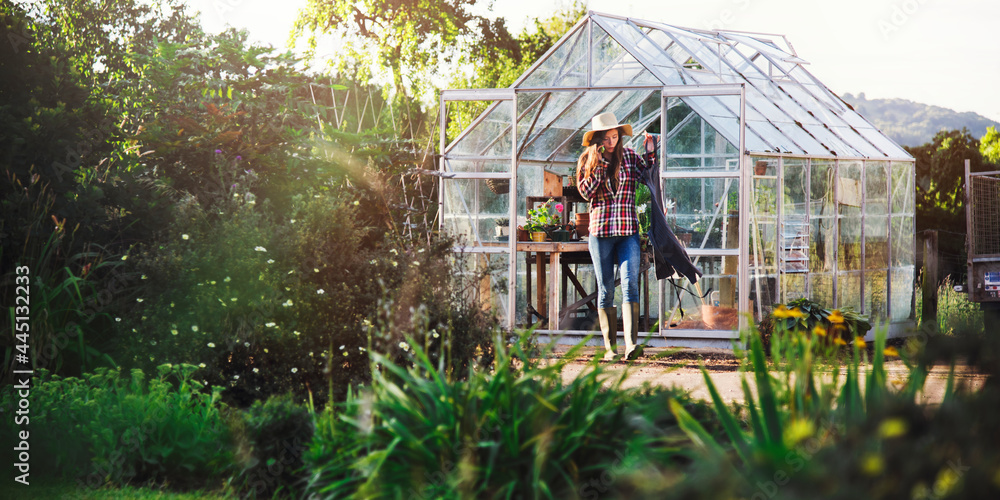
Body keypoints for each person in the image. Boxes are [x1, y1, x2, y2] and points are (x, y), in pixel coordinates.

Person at [576, 112, 658, 361]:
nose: (611, 142)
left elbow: (649, 175)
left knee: (631, 284)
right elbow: (586, 193)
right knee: (606, 290)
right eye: (606, 138)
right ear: (597, 140)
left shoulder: (630, 157)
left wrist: (651, 152)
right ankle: (610, 349)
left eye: (615, 137)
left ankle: (631, 345)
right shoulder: (586, 162)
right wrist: (599, 165)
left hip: (627, 233)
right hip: (600, 233)